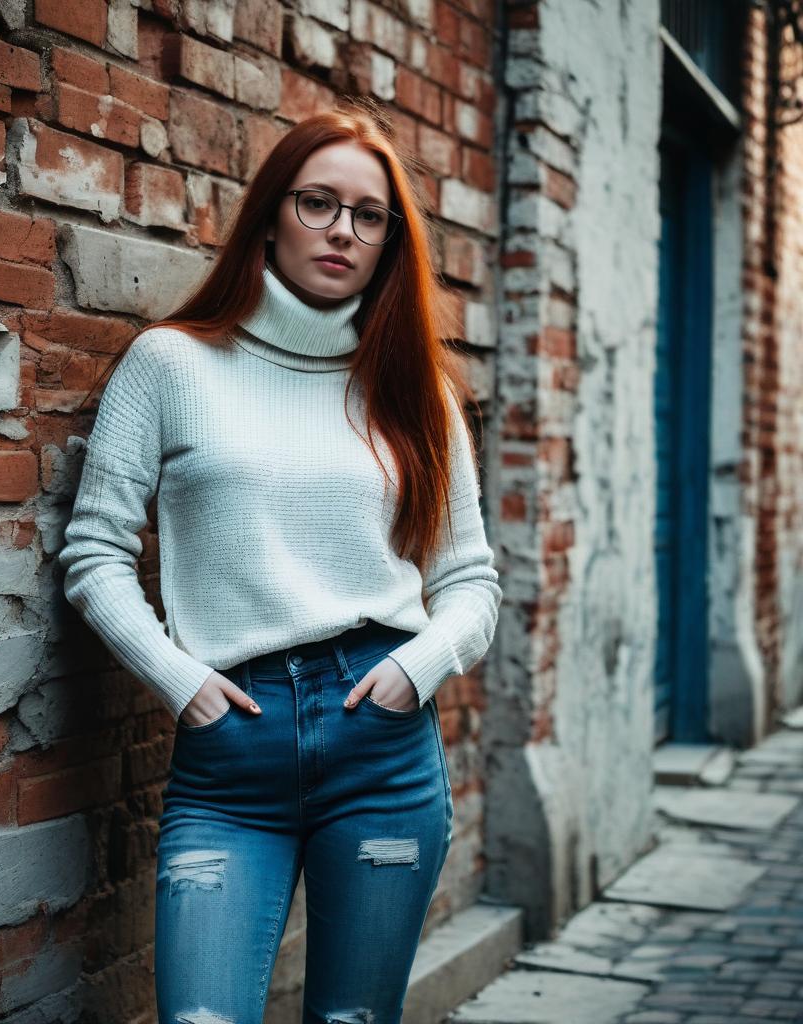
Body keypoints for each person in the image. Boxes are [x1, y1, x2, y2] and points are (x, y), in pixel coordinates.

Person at [59, 98, 503, 1024]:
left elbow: (470, 583)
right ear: (268, 214)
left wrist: (413, 673)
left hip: (380, 739)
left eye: (368, 214)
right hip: (231, 748)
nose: (342, 229)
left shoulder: (415, 390)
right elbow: (95, 555)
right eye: (316, 202)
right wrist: (181, 682)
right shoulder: (171, 365)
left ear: (389, 241)